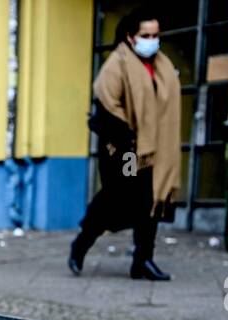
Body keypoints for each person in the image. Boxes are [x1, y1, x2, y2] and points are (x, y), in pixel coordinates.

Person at [70, 9, 181, 281]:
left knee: (150, 199)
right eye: (146, 35)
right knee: (115, 198)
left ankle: (143, 260)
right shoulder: (116, 65)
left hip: (155, 148)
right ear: (131, 37)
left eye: (156, 35)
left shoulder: (162, 66)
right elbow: (108, 106)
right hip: (125, 148)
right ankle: (82, 243)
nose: (152, 40)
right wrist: (129, 136)